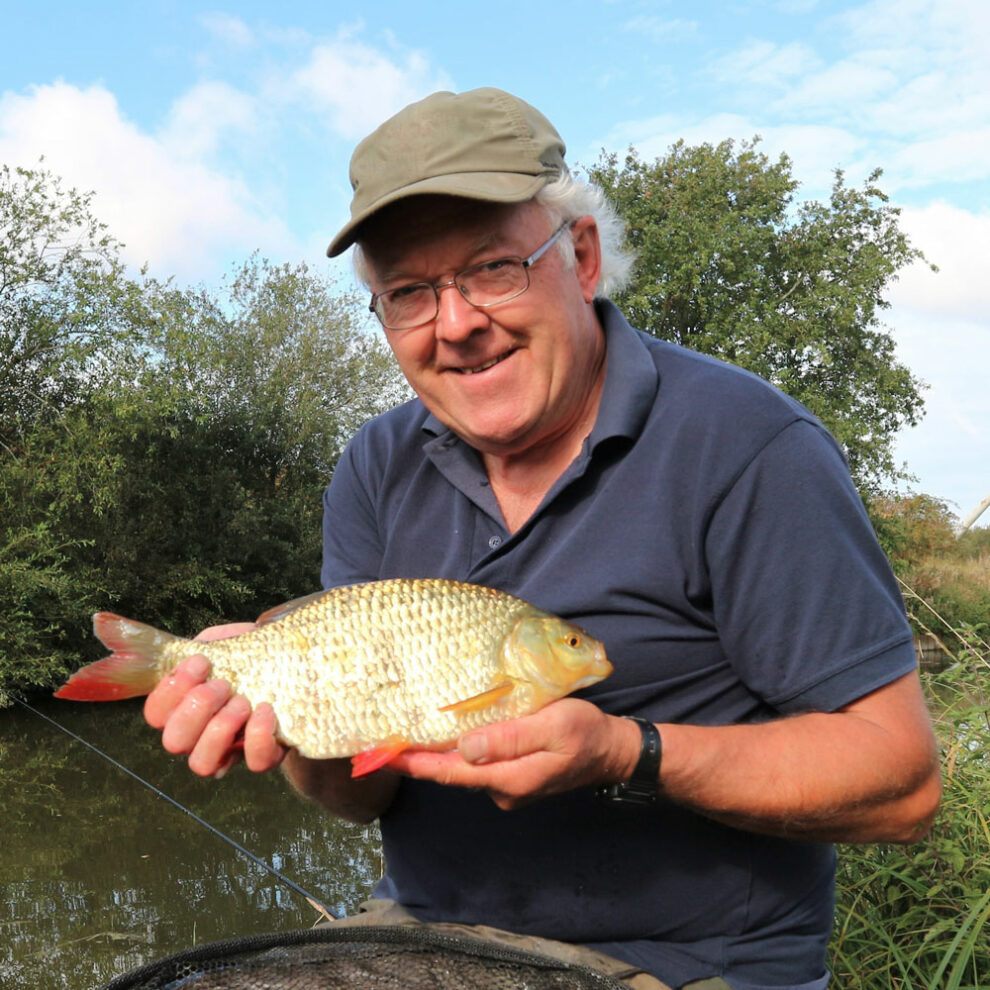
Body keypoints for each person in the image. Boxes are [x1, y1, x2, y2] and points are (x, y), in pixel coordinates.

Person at [144, 88, 941, 989]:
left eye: (493, 268)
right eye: (409, 293)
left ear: (583, 256)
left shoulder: (749, 447)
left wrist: (627, 753)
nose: (456, 324)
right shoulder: (375, 463)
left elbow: (901, 781)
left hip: (682, 966)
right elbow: (356, 796)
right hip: (421, 940)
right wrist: (293, 724)